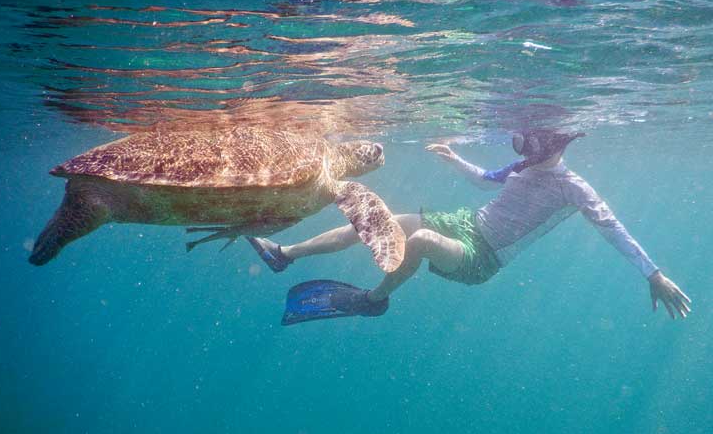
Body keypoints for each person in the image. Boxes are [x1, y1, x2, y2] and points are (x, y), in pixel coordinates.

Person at [247, 129, 691, 325]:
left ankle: (372, 301)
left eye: (529, 143)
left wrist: (653, 274)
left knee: (417, 242)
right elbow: (485, 181)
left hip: (483, 257)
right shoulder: (522, 166)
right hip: (464, 222)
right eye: (521, 141)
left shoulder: (574, 189)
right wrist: (457, 160)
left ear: (553, 145)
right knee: (378, 219)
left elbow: (612, 228)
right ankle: (284, 254)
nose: (522, 149)